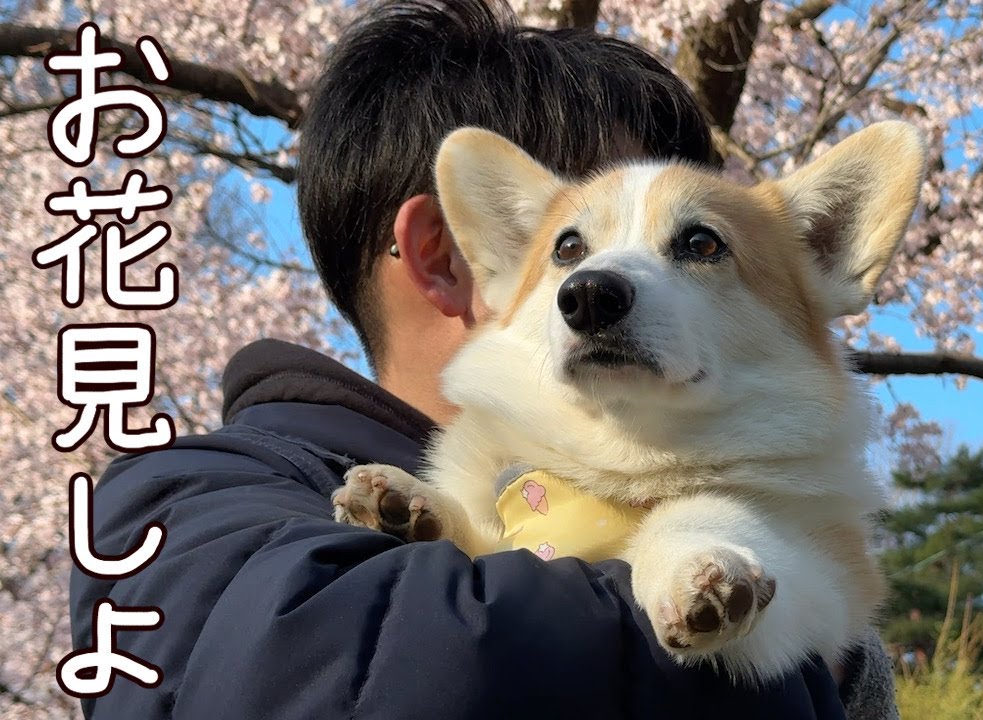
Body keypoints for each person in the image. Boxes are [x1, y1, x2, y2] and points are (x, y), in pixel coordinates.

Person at [69, 1, 900, 718]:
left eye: (697, 244)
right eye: (572, 244)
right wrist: (787, 675)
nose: (604, 282)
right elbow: (321, 676)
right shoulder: (184, 499)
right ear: (455, 254)